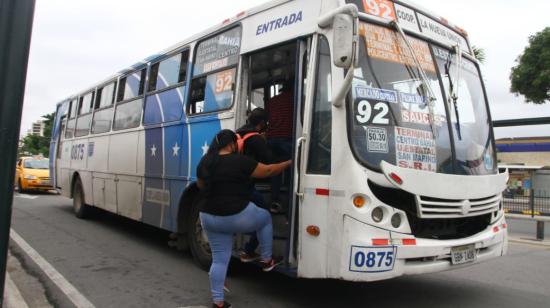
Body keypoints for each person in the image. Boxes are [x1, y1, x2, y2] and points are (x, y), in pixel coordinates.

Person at [197, 129, 291, 308]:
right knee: (264, 218)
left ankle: (218, 303)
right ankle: (266, 258)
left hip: (208, 216)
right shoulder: (240, 161)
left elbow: (201, 185)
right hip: (235, 214)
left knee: (219, 260)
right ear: (232, 144)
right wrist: (289, 162)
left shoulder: (205, 161)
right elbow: (269, 170)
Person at [265, 81, 294, 212]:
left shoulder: (272, 101)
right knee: (290, 169)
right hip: (287, 139)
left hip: (271, 139)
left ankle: (274, 199)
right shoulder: (295, 98)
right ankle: (289, 201)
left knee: (275, 169)